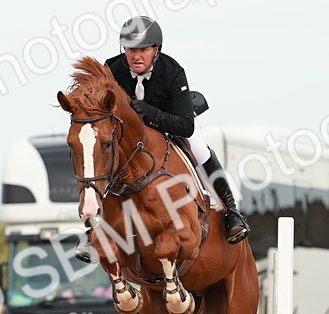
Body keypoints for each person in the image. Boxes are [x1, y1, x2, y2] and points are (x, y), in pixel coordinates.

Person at [75, 16, 249, 262]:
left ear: (156, 50)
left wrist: (151, 114)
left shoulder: (172, 71)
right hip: (131, 137)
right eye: (131, 49)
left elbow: (186, 125)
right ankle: (94, 230)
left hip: (171, 123)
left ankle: (232, 213)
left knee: (200, 150)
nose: (136, 57)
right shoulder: (112, 69)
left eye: (143, 50)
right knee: (105, 158)